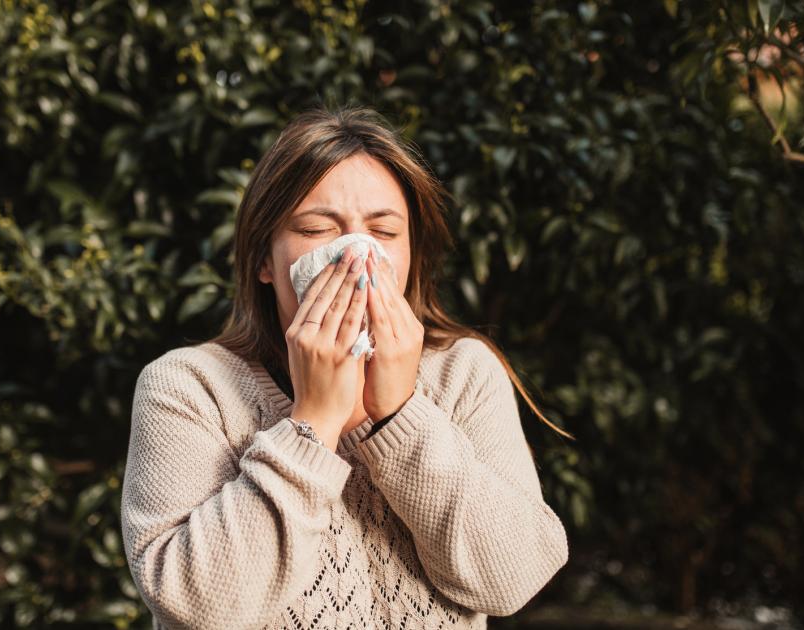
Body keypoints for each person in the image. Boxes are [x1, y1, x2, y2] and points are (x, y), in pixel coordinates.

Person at [120, 105, 571, 630]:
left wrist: (400, 415)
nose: (357, 255)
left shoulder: (464, 374)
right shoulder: (188, 387)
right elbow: (197, 607)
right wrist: (312, 423)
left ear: (410, 257)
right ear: (265, 259)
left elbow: (512, 579)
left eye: (383, 232)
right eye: (316, 228)